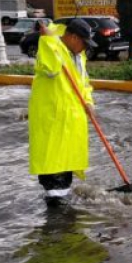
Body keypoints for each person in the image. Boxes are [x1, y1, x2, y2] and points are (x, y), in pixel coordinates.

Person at [28, 18, 98, 207]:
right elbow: (49, 69)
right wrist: (48, 40)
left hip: (71, 123)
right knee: (53, 171)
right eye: (84, 43)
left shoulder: (78, 56)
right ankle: (57, 226)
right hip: (53, 122)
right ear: (74, 37)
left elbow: (83, 83)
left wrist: (89, 102)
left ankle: (63, 215)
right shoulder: (52, 49)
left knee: (65, 170)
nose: (85, 48)